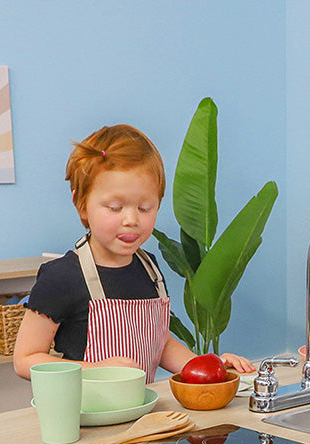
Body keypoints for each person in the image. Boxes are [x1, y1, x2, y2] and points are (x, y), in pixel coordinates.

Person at [13, 124, 254, 380]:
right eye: (115, 207)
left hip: (141, 413)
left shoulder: (149, 269)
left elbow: (162, 346)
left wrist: (208, 367)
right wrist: (99, 371)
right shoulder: (61, 277)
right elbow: (25, 360)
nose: (131, 219)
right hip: (86, 416)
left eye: (145, 207)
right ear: (81, 204)